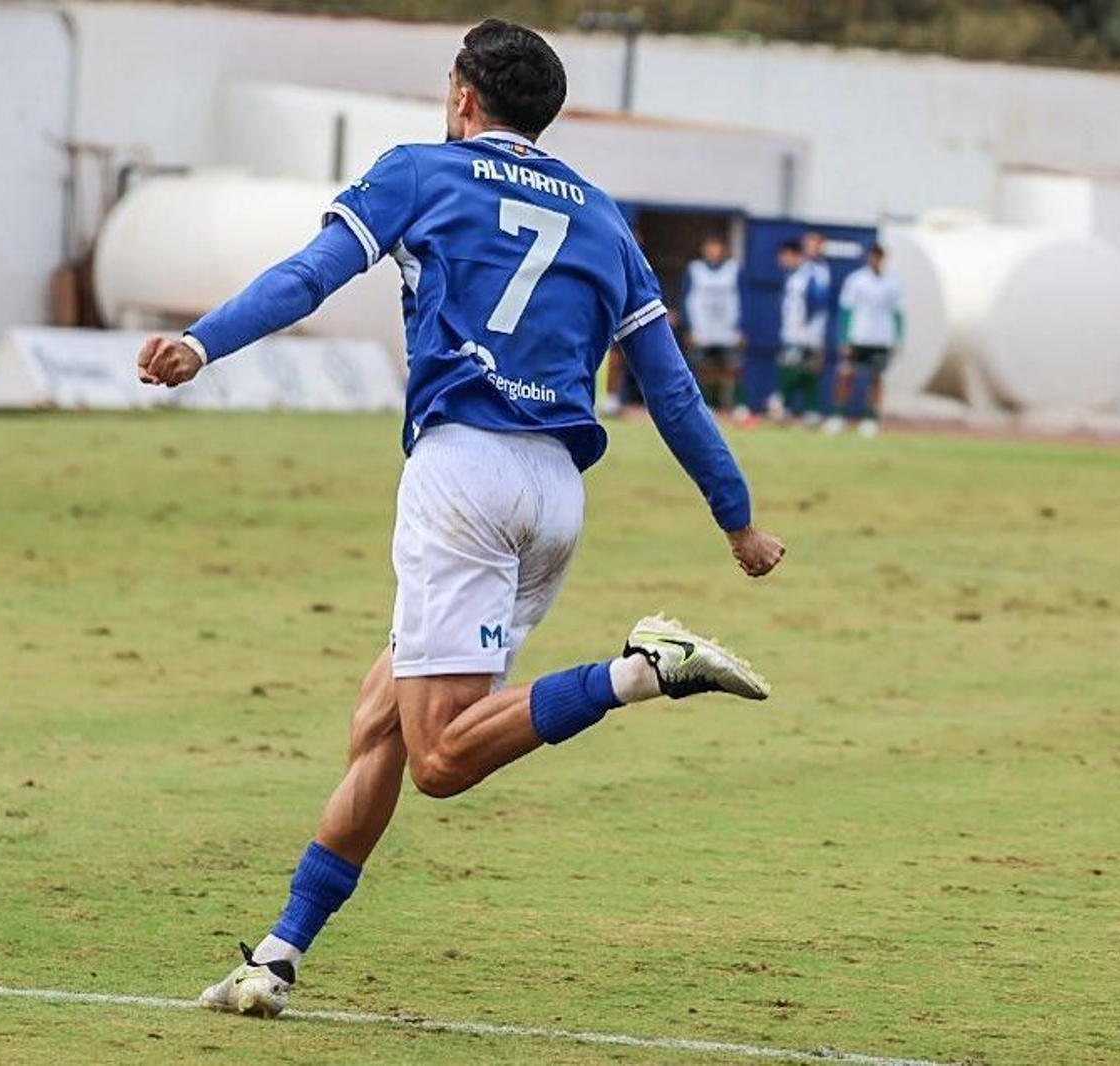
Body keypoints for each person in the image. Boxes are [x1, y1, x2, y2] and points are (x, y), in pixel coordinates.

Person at [134, 19, 786, 1018]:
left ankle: (641, 667)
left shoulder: (420, 174)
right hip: (554, 497)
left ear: (463, 96)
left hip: (462, 481)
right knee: (380, 725)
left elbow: (311, 274)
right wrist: (737, 521)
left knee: (436, 756)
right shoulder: (605, 219)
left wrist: (202, 342)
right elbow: (671, 391)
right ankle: (274, 958)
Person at [824, 243, 904, 438]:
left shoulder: (892, 284)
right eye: (872, 256)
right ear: (868, 258)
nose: (875, 260)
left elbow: (898, 314)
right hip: (858, 337)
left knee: (876, 378)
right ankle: (838, 417)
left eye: (879, 257)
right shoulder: (856, 280)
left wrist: (898, 340)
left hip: (881, 339)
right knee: (846, 375)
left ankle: (870, 419)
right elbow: (846, 310)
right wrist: (844, 338)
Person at [771, 233, 831, 425]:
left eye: (784, 256)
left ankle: (791, 406)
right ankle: (785, 407)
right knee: (794, 369)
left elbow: (817, 301)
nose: (781, 260)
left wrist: (807, 327)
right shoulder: (794, 275)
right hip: (792, 332)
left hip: (805, 334)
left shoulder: (812, 272)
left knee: (806, 371)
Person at [680, 235, 744, 413]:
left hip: (727, 329)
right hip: (702, 329)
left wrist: (741, 328)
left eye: (717, 247)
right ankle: (708, 403)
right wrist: (688, 328)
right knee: (705, 368)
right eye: (710, 247)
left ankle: (734, 404)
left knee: (731, 368)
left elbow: (743, 298)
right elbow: (686, 298)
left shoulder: (733, 269)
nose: (713, 251)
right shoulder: (695, 270)